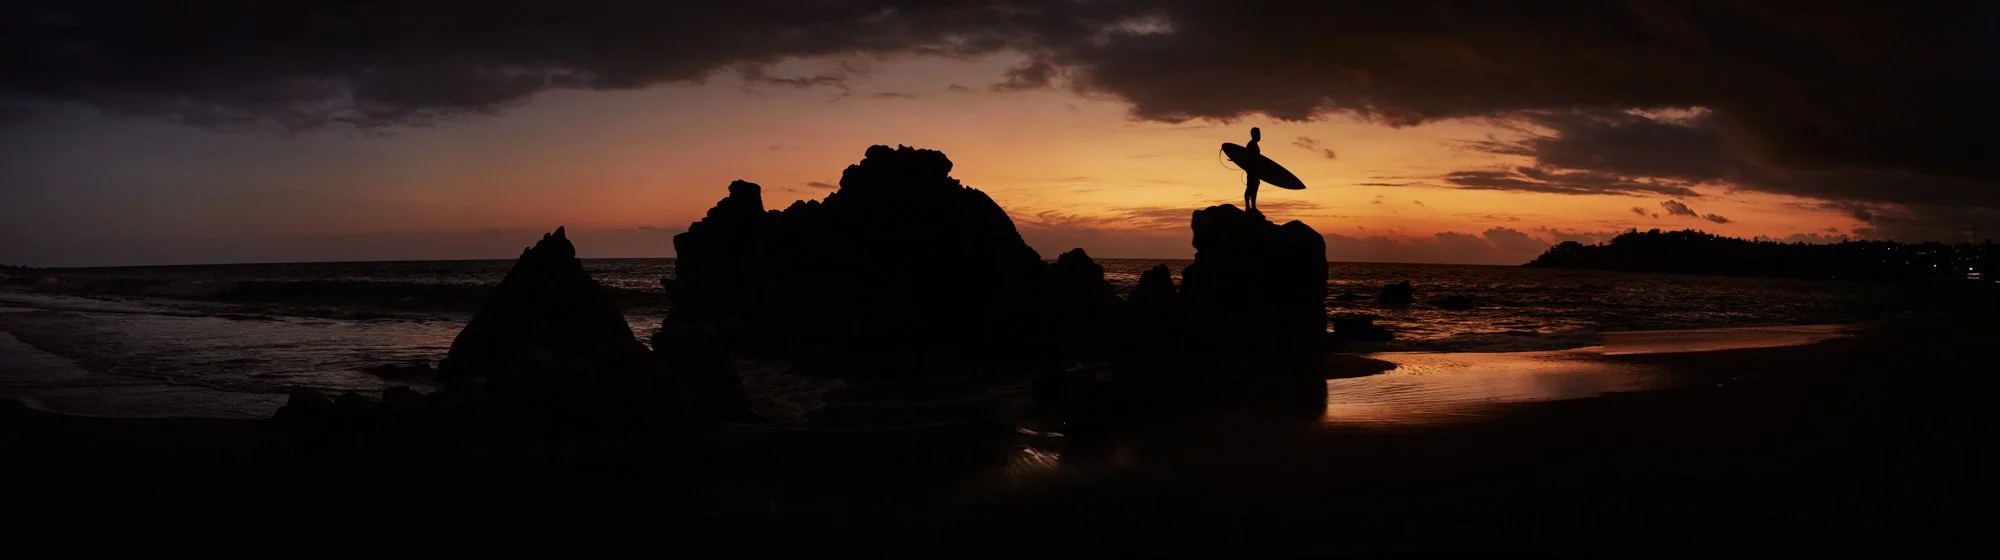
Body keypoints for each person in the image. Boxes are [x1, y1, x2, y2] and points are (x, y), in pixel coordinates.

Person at [1243, 127, 1262, 211]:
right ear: (1254, 135)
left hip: (1256, 172)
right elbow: (1249, 158)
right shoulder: (1251, 145)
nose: (1260, 136)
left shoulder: (1255, 145)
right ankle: (1248, 206)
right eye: (1258, 134)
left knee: (1254, 188)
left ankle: (1253, 206)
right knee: (1250, 188)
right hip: (1252, 171)